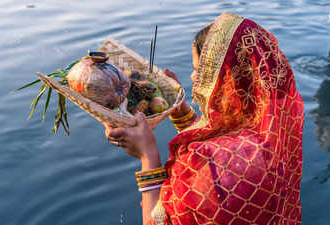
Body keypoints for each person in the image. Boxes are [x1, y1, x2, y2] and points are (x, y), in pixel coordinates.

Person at [105, 12, 304, 225]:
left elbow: (158, 221)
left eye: (198, 70)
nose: (193, 78)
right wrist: (180, 112)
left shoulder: (206, 161)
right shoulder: (271, 135)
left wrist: (147, 155)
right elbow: (222, 146)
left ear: (226, 79)